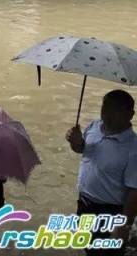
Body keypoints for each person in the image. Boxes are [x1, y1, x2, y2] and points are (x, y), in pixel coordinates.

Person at [66, 90, 137, 255]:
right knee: (88, 246)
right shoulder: (94, 126)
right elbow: (83, 150)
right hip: (84, 203)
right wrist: (76, 143)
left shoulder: (133, 148)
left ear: (130, 114)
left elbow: (134, 191)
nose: (107, 113)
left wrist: (123, 227)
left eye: (115, 109)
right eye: (105, 107)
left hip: (110, 211)